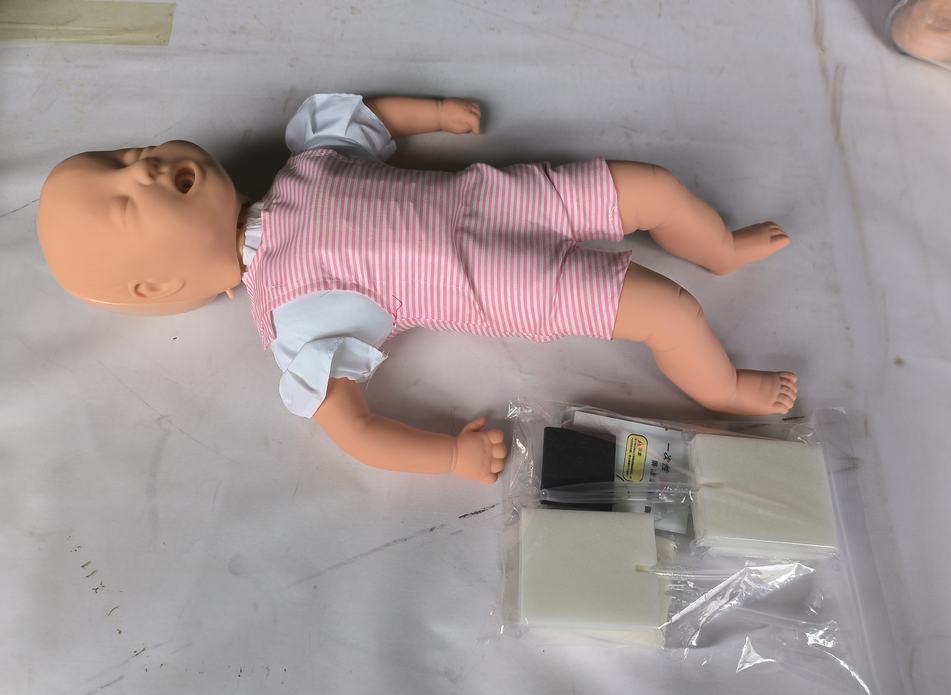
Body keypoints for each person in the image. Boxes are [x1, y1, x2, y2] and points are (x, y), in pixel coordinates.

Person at [36, 93, 797, 484]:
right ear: (162, 285)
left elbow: (370, 118)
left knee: (655, 188)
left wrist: (432, 114)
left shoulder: (304, 167)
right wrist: (449, 459)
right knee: (669, 311)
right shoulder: (293, 316)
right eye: (129, 200)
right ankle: (724, 389)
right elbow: (358, 432)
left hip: (509, 197)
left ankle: (720, 248)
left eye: (126, 155)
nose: (141, 168)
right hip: (511, 286)